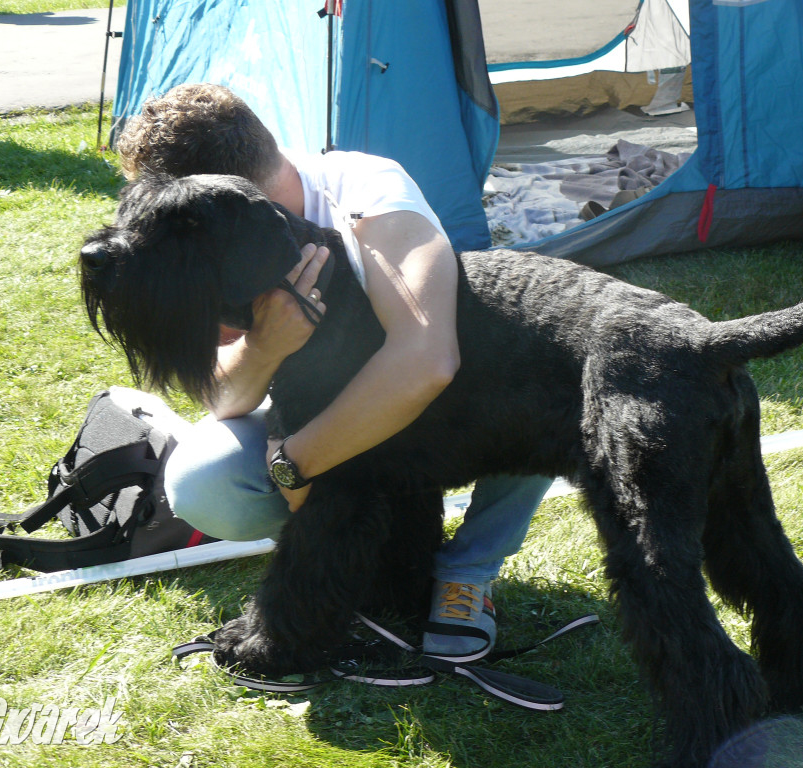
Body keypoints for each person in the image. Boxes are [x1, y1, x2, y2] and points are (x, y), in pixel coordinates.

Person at [115, 83, 553, 657]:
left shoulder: (370, 194)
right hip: (316, 401)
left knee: (543, 366)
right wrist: (267, 346)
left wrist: (295, 468)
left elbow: (428, 360)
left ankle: (467, 574)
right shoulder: (219, 236)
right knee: (203, 479)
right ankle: (344, 549)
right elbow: (221, 398)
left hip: (449, 400)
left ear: (217, 195)